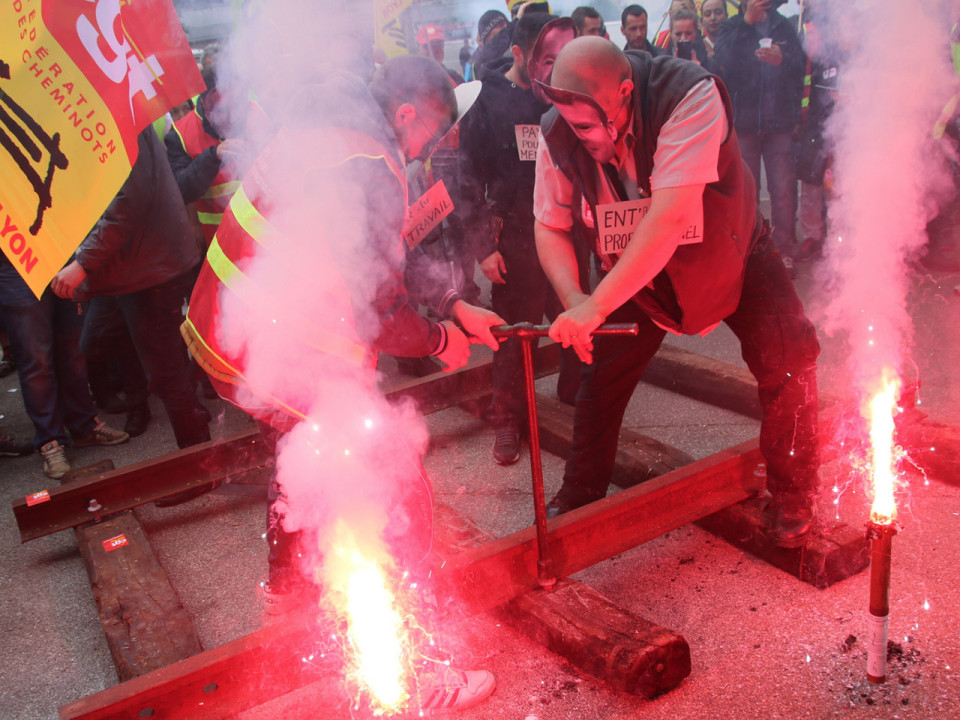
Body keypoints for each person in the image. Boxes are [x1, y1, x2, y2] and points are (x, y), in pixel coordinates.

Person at [182, 54, 501, 711]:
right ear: (407, 112)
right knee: (391, 484)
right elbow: (378, 305)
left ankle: (289, 603)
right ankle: (422, 671)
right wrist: (441, 340)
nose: (436, 145)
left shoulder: (334, 130)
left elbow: (382, 254)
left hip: (241, 331)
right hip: (283, 342)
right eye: (435, 129)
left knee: (307, 463)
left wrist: (456, 305)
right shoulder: (366, 159)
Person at [531, 37, 820, 547]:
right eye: (570, 125)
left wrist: (598, 304)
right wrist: (576, 298)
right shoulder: (558, 132)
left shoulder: (689, 94)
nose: (580, 139)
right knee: (601, 380)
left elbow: (669, 219)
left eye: (586, 126)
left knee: (788, 356)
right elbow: (549, 225)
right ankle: (579, 496)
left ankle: (794, 493)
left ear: (623, 93)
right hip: (638, 274)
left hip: (733, 248)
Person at [459, 12, 582, 465]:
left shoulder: (565, 90)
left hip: (569, 231)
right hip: (515, 236)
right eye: (544, 60)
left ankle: (572, 397)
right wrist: (483, 248)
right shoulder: (488, 101)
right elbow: (467, 177)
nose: (553, 71)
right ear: (518, 56)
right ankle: (506, 419)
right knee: (513, 335)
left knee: (577, 317)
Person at [51, 129, 212, 469]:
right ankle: (189, 411)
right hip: (127, 268)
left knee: (166, 374)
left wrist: (84, 262)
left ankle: (201, 464)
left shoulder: (119, 118)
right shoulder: (111, 111)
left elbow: (128, 199)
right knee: (102, 342)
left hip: (149, 268)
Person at [0, 258, 129, 479]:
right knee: (36, 359)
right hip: (15, 263)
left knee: (73, 351)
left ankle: (84, 425)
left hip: (58, 257)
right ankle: (50, 440)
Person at [714, 0, 806, 272]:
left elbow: (801, 67)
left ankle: (783, 252)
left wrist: (784, 58)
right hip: (745, 125)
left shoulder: (783, 24)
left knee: (783, 192)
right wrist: (746, 23)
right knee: (746, 194)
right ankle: (752, 255)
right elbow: (723, 62)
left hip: (779, 125)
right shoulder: (732, 26)